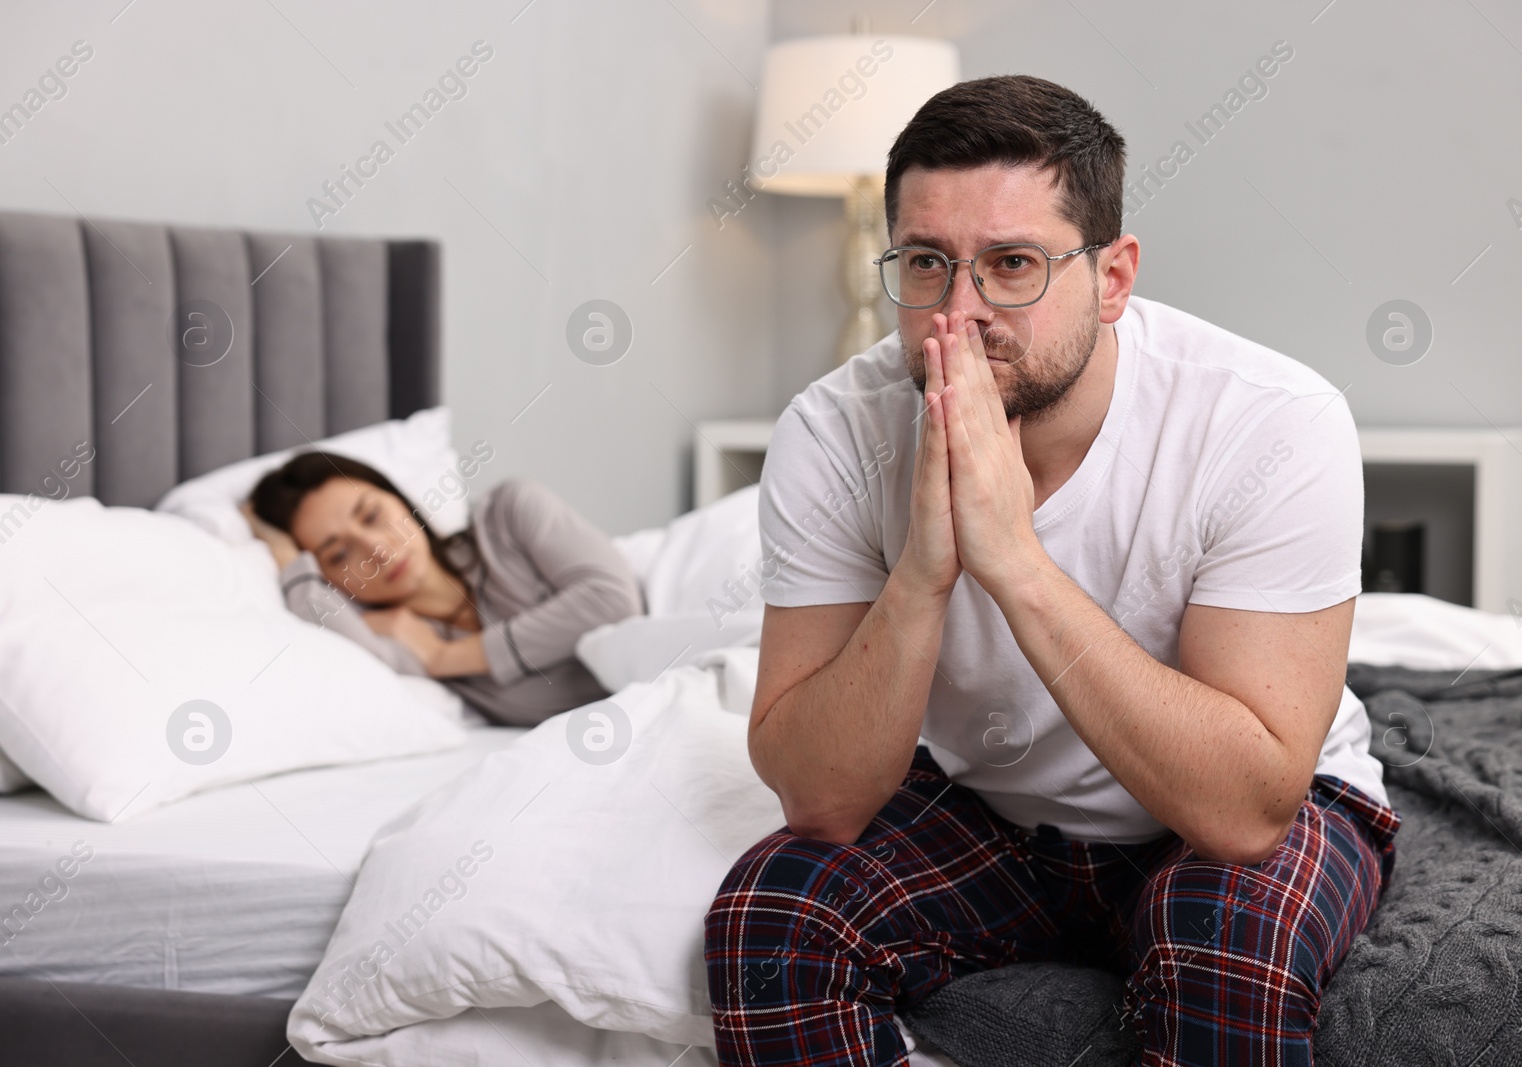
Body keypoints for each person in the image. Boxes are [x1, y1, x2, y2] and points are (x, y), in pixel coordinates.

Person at [704, 75, 1401, 1066]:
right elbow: (822, 800)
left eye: (1012, 264)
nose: (960, 312)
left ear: (1112, 277)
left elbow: (1245, 809)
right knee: (767, 917)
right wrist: (922, 576)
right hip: (992, 809)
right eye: (926, 262)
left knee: (1224, 952)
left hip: (1228, 811)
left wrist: (1015, 562)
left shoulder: (1271, 420)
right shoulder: (832, 430)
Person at [243, 451, 642, 726]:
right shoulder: (395, 635)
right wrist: (287, 560)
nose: (379, 551)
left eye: (372, 515)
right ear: (328, 578)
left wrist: (446, 657)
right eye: (340, 554)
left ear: (400, 498)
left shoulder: (508, 515)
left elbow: (613, 603)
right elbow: (329, 625)